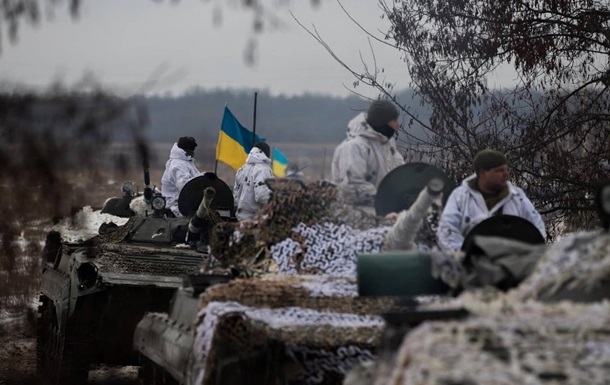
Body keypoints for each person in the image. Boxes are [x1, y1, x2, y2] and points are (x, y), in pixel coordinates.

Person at [437, 149, 546, 252]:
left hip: (513, 264)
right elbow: (447, 230)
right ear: (483, 173)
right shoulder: (460, 197)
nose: (506, 173)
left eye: (506, 169)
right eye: (499, 170)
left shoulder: (517, 196)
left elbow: (536, 227)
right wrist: (465, 256)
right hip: (473, 265)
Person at [331, 100, 404, 208]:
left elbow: (403, 179)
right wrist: (385, 200)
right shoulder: (354, 147)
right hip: (358, 215)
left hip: (387, 212)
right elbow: (352, 186)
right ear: (382, 122)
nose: (398, 125)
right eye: (393, 120)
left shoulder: (390, 148)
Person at [233, 141, 275, 221]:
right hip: (257, 220)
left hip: (240, 218)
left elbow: (236, 195)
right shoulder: (263, 169)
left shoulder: (242, 169)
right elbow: (261, 196)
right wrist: (275, 199)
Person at [161, 136, 200, 217]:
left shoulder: (185, 161)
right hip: (177, 208)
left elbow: (195, 179)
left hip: (184, 204)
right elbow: (185, 186)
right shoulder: (178, 164)